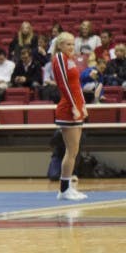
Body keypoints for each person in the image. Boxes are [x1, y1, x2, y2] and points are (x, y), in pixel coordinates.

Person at [51, 32, 89, 200]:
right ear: (60, 45)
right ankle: (64, 189)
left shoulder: (71, 60)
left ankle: (67, 187)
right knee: (71, 150)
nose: (71, 47)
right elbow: (64, 84)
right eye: (68, 44)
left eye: (73, 44)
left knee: (74, 151)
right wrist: (74, 106)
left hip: (76, 107)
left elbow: (76, 85)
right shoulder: (59, 58)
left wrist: (83, 105)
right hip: (68, 108)